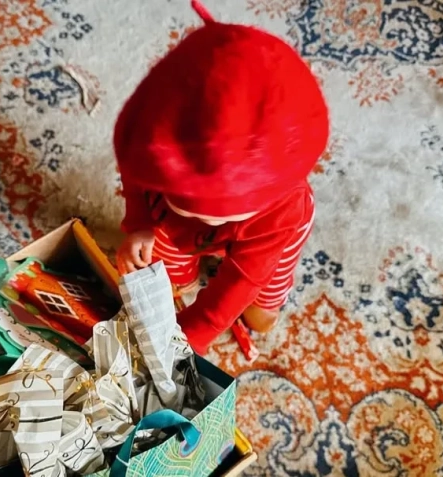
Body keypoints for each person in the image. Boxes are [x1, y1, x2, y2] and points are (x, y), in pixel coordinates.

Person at [114, 1, 329, 354]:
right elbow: (134, 169)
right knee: (165, 269)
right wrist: (138, 223)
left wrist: (192, 334)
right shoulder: (149, 141)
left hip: (271, 230)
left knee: (260, 315)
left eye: (213, 212)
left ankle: (255, 292)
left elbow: (239, 283)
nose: (202, 218)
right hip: (168, 222)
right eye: (184, 202)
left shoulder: (282, 210)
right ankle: (183, 269)